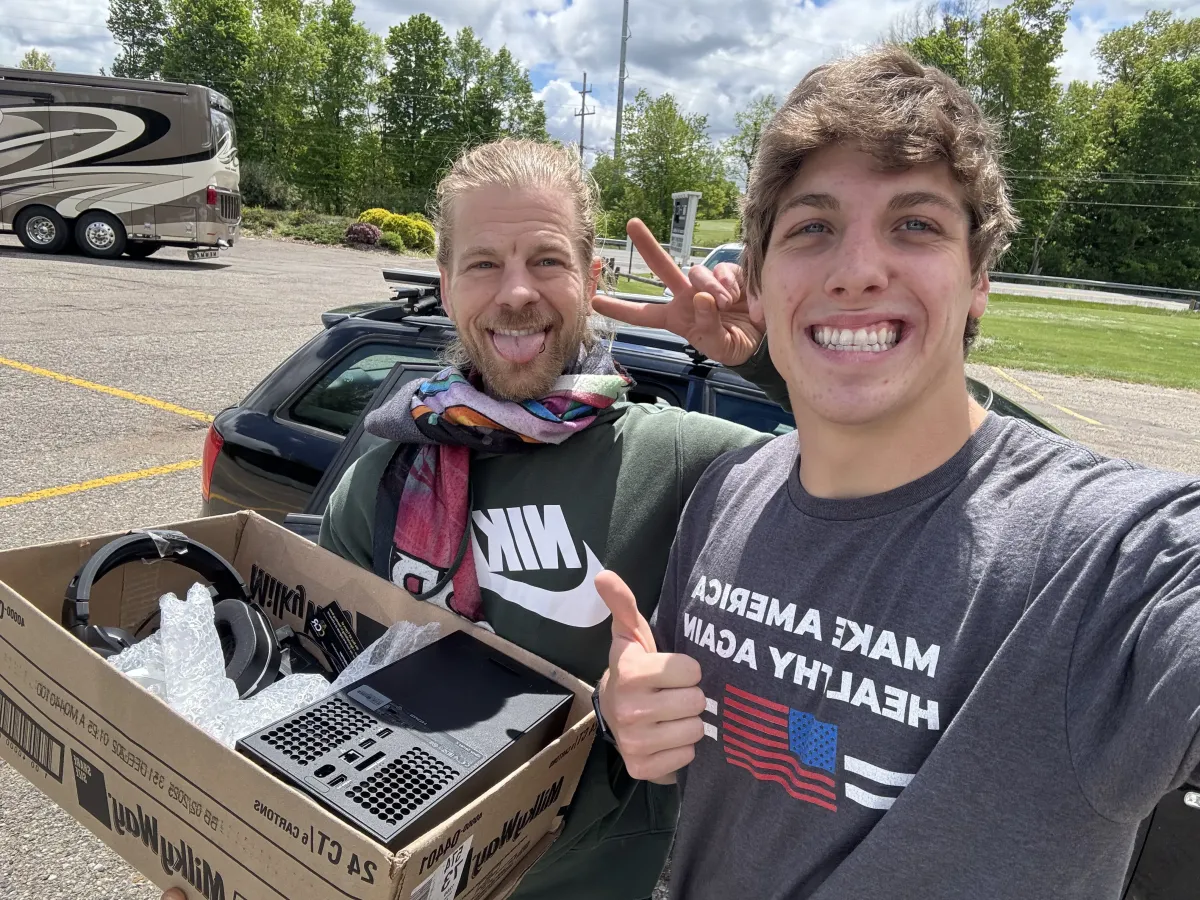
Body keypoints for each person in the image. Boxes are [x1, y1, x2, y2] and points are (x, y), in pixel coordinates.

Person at [594, 46, 1200, 899]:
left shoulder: (1109, 558)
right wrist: (625, 708)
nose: (857, 270)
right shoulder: (726, 495)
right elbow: (710, 729)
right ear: (758, 283)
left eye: (915, 224)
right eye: (812, 228)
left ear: (979, 278)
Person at [161, 138, 779, 900]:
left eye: (547, 261)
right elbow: (310, 700)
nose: (516, 292)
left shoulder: (672, 457)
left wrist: (764, 357)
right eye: (484, 263)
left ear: (592, 280)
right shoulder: (384, 476)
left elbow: (885, 479)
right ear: (448, 286)